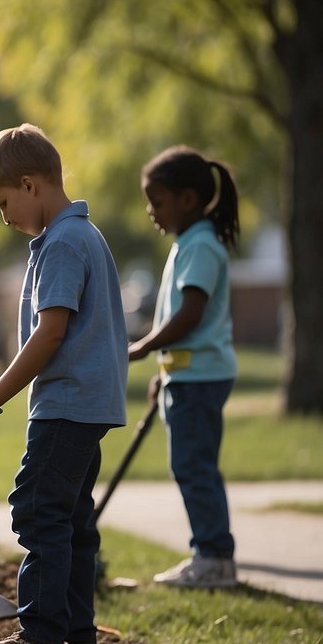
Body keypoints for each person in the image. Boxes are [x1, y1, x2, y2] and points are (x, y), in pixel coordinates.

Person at [0, 124, 127, 644]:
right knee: (72, 520)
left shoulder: (62, 243)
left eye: (2, 202)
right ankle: (78, 633)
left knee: (38, 511)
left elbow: (49, 333)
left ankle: (39, 633)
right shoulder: (82, 236)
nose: (3, 216)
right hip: (88, 403)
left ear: (30, 186)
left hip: (68, 403)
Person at [129, 146, 240, 589]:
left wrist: (141, 349)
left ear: (188, 199)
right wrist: (164, 370)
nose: (151, 212)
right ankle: (210, 554)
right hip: (187, 374)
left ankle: (213, 558)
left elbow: (190, 316)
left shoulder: (200, 247)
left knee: (195, 468)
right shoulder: (190, 244)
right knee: (193, 465)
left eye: (158, 201)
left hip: (201, 377)